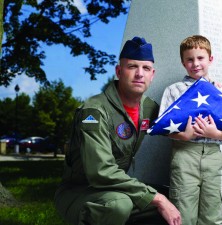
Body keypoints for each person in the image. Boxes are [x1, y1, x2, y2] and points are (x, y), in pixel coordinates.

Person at [54, 36, 181, 225]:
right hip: (80, 190)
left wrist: (211, 88)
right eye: (132, 67)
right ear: (119, 71)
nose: (139, 74)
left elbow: (181, 120)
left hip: (114, 189)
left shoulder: (149, 108)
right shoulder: (95, 111)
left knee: (177, 196)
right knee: (119, 205)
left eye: (145, 68)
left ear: (152, 74)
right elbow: (100, 171)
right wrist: (158, 199)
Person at [158, 35, 222, 225]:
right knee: (184, 213)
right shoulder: (173, 90)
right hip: (185, 156)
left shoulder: (221, 91)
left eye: (200, 58)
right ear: (183, 63)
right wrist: (184, 135)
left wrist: (212, 133)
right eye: (190, 59)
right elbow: (163, 126)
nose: (195, 63)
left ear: (210, 59)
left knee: (212, 214)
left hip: (213, 157)